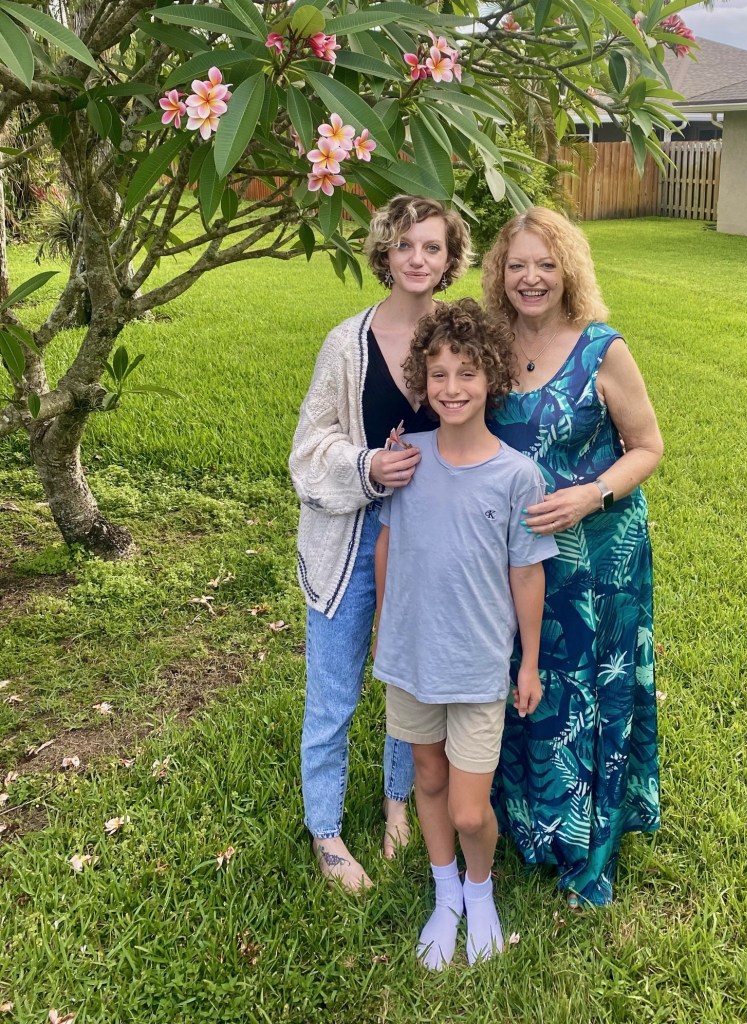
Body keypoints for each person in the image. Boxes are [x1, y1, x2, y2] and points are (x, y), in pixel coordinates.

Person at [481, 207, 664, 908]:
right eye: (517, 265)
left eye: (546, 264)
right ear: (500, 273)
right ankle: (527, 823)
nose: (531, 278)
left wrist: (590, 495)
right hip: (516, 557)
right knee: (525, 681)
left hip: (597, 559)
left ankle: (589, 843)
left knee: (589, 689)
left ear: (569, 271)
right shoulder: (489, 345)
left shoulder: (601, 349)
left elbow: (647, 447)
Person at [289, 196, 472, 889]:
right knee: (333, 689)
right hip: (353, 538)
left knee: (409, 679)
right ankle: (326, 830)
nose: (418, 259)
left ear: (450, 258)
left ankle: (400, 802)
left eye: (432, 247)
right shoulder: (348, 343)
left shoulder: (460, 337)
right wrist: (368, 467)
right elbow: (308, 449)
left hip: (432, 538)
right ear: (384, 254)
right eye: (404, 245)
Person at [372, 300, 558, 969]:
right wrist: (384, 630)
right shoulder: (407, 458)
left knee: (470, 810)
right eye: (439, 374)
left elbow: (527, 573)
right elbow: (386, 545)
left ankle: (481, 893)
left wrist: (528, 663)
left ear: (492, 378)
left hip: (478, 665)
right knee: (427, 778)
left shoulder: (517, 476)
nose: (452, 388)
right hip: (411, 657)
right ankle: (445, 891)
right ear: (423, 381)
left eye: (467, 373)